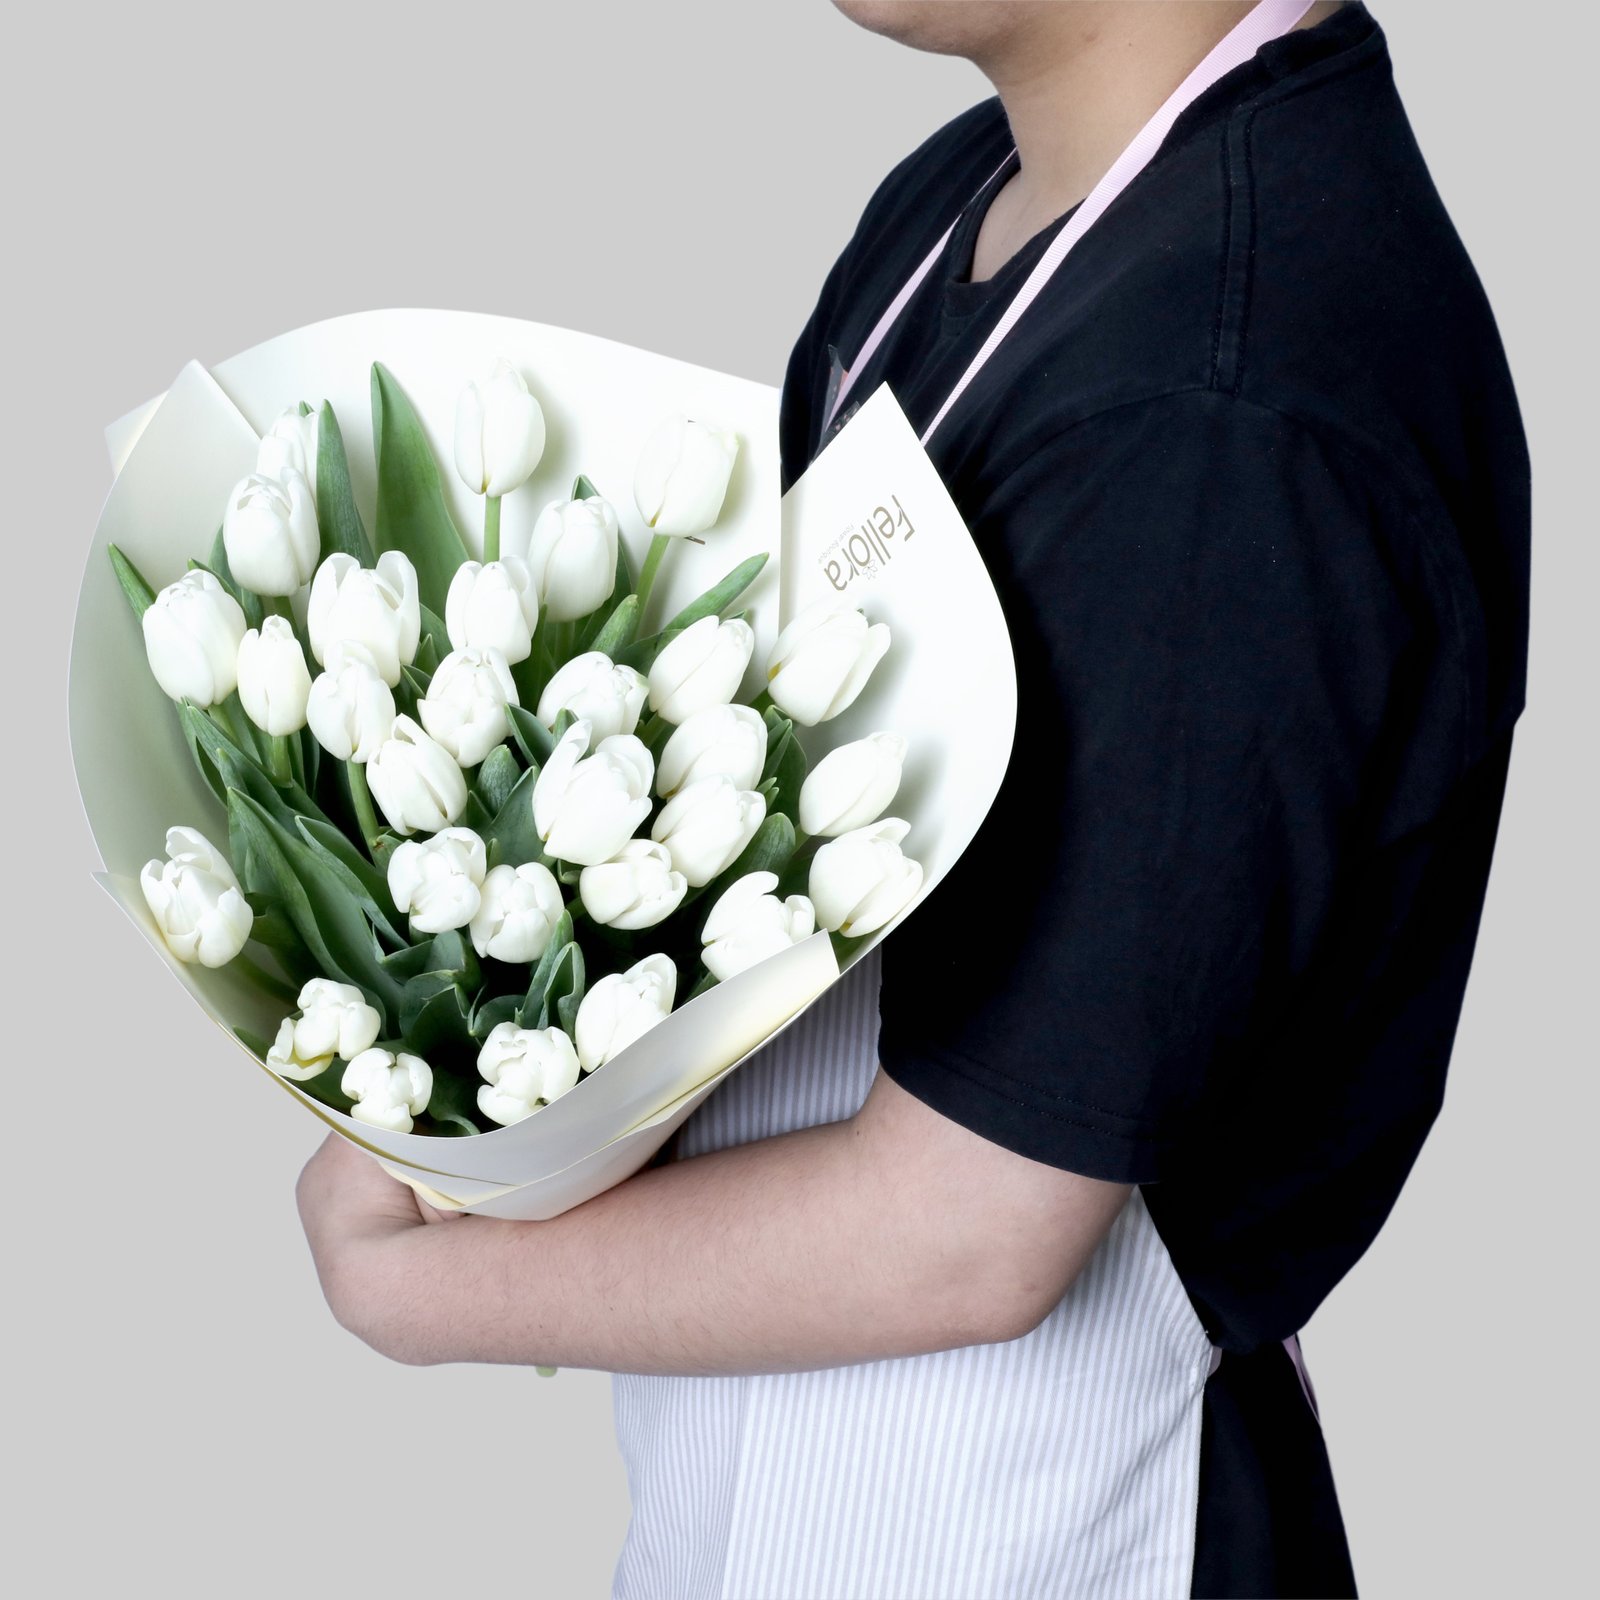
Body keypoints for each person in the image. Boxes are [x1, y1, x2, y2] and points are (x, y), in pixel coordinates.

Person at [295, 3, 1529, 1594]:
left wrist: (421, 1284)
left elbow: (975, 1227)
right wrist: (461, 1084)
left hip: (1049, 1516)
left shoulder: (1226, 406)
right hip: (766, 1476)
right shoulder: (975, 203)